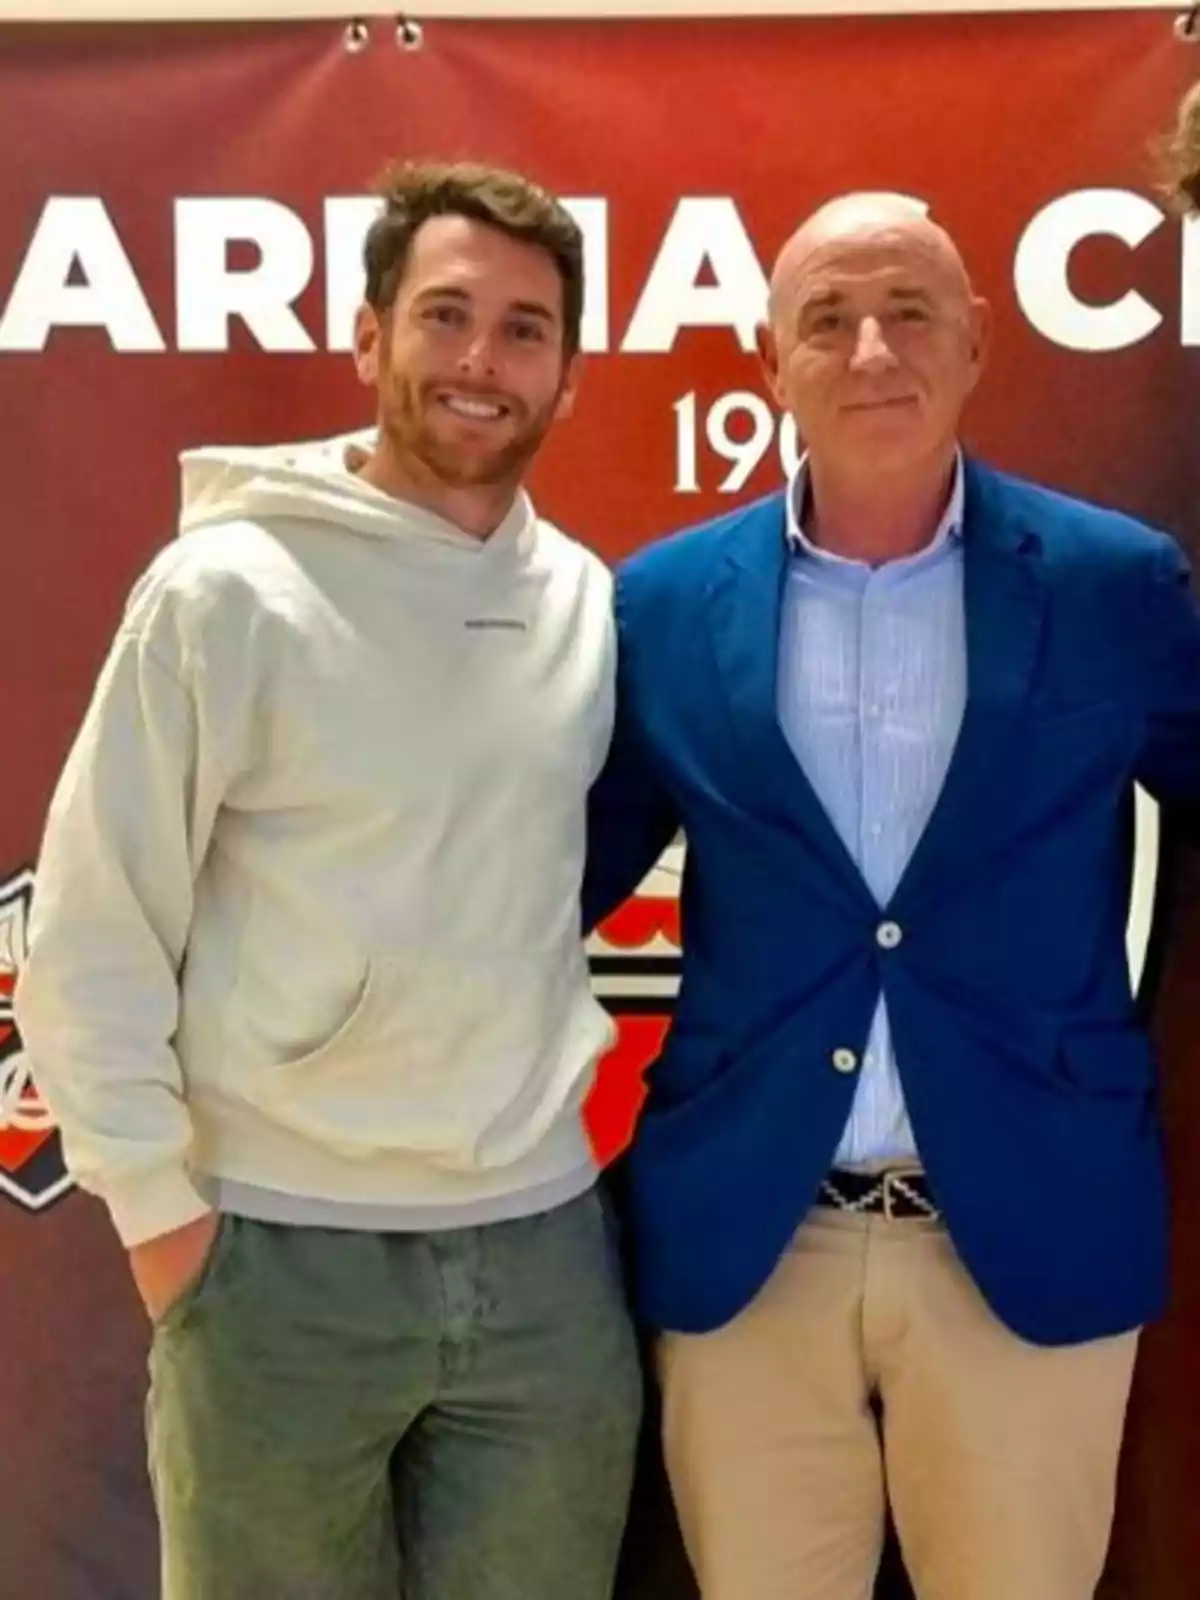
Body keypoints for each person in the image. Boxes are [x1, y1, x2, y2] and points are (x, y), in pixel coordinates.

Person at [16, 159, 640, 1600]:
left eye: (526, 329)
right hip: (275, 1262)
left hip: (542, 1261)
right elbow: (93, 928)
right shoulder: (227, 590)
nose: (482, 361)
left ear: (570, 376)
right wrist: (170, 1231)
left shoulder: (591, 608)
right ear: (370, 340)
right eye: (446, 315)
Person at [585, 191, 1200, 1600]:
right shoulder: (665, 607)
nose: (873, 351)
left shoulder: (1116, 586)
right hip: (756, 1235)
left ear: (979, 342)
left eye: (910, 311)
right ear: (768, 359)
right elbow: (546, 874)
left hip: (1028, 1232)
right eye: (829, 319)